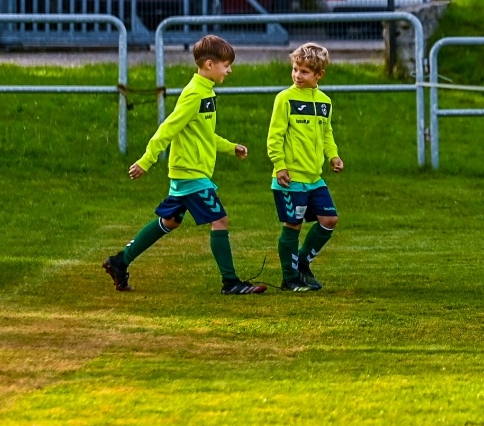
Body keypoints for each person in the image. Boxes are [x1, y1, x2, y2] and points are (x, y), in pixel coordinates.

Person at [102, 33, 265, 295]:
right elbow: (168, 128)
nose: (230, 70)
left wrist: (230, 147)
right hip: (191, 174)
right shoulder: (193, 95)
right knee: (220, 220)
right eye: (226, 65)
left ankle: (120, 262)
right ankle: (230, 282)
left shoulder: (206, 92)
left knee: (170, 221)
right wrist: (146, 161)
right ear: (209, 65)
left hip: (188, 172)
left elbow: (204, 134)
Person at [267, 42, 343, 292]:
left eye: (304, 71)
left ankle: (300, 263)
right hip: (292, 178)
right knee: (293, 226)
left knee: (329, 219)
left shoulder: (324, 102)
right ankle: (289, 279)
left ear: (318, 75)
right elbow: (274, 137)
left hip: (315, 179)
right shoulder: (285, 99)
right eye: (295, 69)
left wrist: (333, 156)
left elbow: (327, 132)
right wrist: (280, 166)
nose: (297, 75)